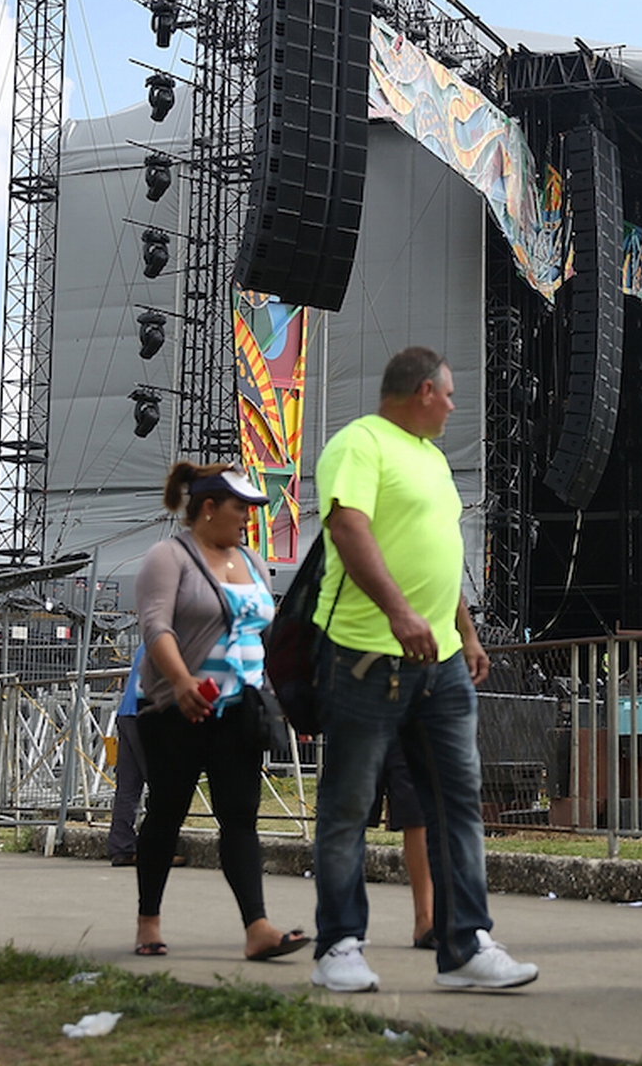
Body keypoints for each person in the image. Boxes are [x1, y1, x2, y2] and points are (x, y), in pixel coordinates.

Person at [308, 346, 538, 993]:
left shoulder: (433, 460)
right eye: (450, 394)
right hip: (364, 656)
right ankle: (339, 946)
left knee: (458, 801)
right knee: (349, 803)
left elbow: (439, 554)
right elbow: (348, 528)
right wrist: (399, 612)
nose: (454, 406)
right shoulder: (360, 444)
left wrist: (465, 633)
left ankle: (464, 947)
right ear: (423, 391)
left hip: (441, 664)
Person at [131, 461, 310, 963]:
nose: (249, 518)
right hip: (178, 708)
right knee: (166, 813)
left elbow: (265, 634)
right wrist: (181, 681)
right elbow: (156, 627)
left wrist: (286, 694)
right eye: (241, 508)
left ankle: (258, 928)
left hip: (240, 709)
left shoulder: (251, 561)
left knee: (240, 816)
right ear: (208, 508)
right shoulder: (169, 557)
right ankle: (148, 922)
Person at [369, 737, 436, 948]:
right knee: (346, 815)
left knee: (418, 814)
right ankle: (339, 927)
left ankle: (426, 920)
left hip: (410, 725)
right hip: (358, 720)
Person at [107, 640, 147, 868]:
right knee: (163, 785)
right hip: (148, 714)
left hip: (126, 712)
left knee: (127, 787)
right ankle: (159, 848)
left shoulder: (149, 639)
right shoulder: (174, 638)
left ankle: (121, 848)